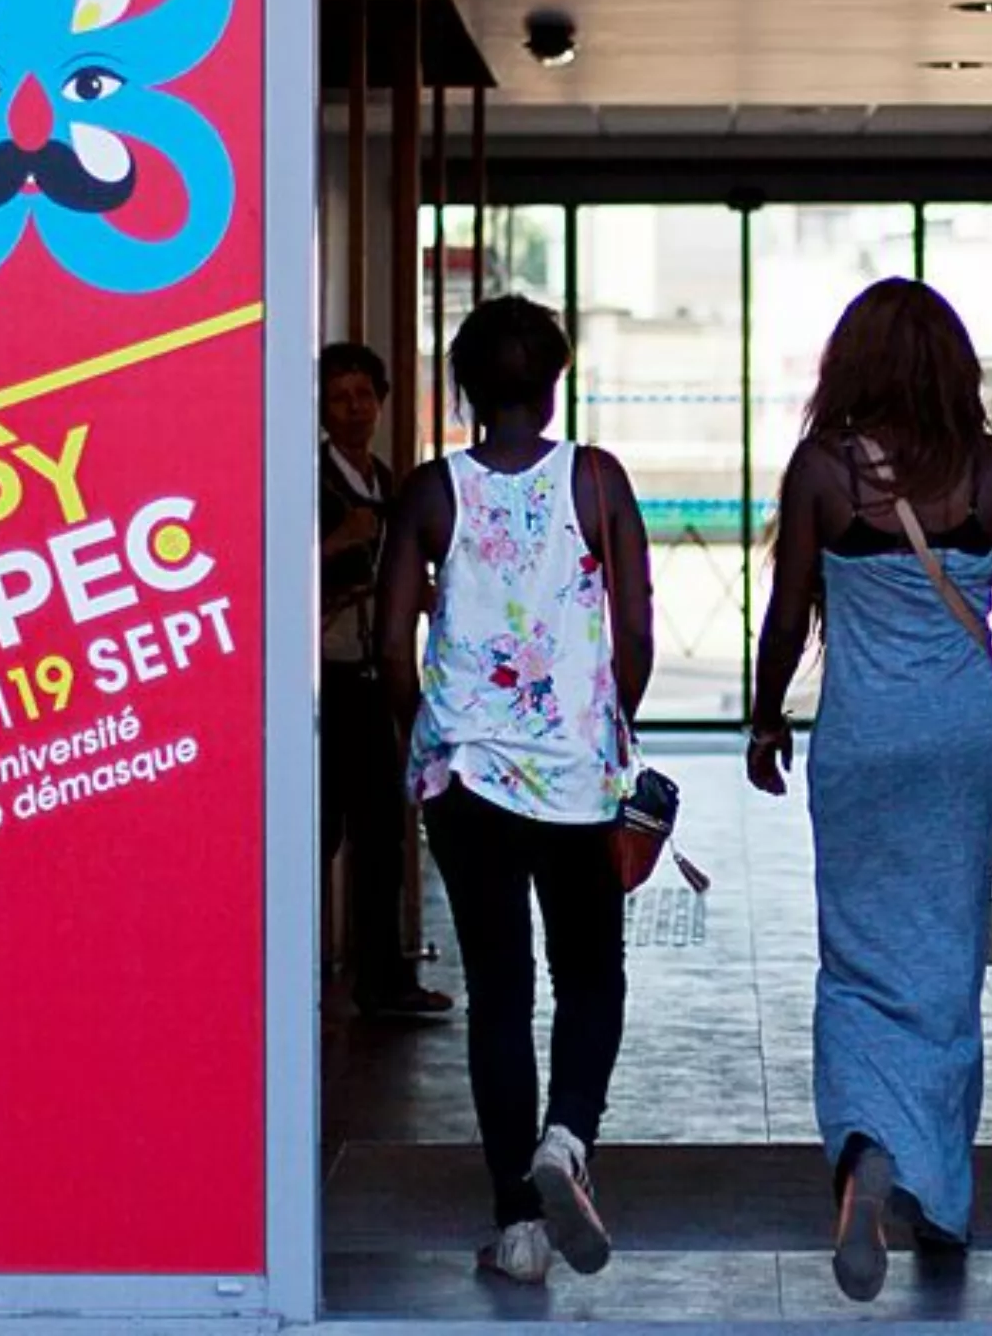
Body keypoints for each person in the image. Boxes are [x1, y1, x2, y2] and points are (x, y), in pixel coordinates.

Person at [746, 278, 992, 1303]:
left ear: (853, 363)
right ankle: (940, 1197)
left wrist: (764, 716)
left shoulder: (825, 470)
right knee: (947, 963)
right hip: (964, 740)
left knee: (856, 962)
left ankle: (865, 1153)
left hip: (863, 743)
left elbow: (787, 614)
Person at [378, 296, 655, 1286]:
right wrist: (603, 728)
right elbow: (634, 631)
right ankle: (566, 1138)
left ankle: (519, 1227)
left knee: (500, 990)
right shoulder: (595, 478)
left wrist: (428, 739)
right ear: (554, 384)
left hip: (470, 777)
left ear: (462, 386)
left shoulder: (431, 491)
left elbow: (391, 643)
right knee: (591, 976)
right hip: (576, 777)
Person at [319, 343, 451, 1019]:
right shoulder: (311, 482)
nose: (354, 409)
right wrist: (341, 540)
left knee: (380, 835)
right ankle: (296, 973)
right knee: (320, 831)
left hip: (375, 675)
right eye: (340, 398)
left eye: (364, 395)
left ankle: (382, 980)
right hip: (326, 679)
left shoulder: (385, 479)